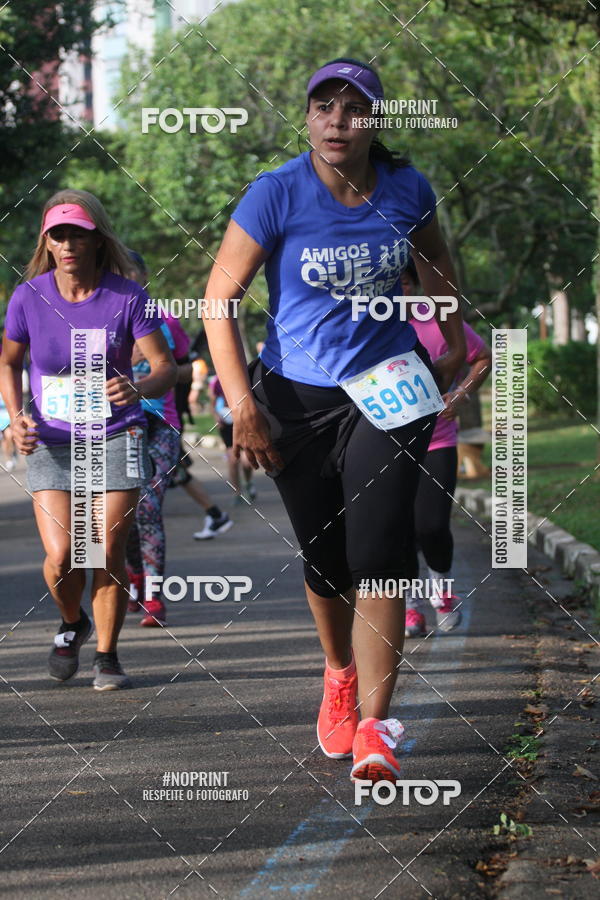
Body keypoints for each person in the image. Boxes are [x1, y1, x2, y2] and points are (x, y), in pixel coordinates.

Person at [199, 58, 466, 782]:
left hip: (388, 385)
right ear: (308, 116)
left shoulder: (408, 189)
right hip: (296, 398)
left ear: (377, 120)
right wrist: (243, 404)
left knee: (382, 549)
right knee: (328, 562)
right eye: (324, 107)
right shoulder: (275, 193)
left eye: (354, 109)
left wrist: (455, 336)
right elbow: (217, 302)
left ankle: (378, 726)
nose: (337, 121)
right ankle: (339, 671)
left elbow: (436, 258)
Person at [0, 190, 176, 689]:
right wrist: (15, 418)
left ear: (98, 239)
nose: (69, 243)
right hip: (52, 443)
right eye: (59, 234)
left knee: (104, 546)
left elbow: (166, 368)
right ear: (47, 242)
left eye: (79, 233)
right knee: (61, 557)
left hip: (116, 435)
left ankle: (107, 653)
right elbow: (8, 362)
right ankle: (73, 621)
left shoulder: (127, 296)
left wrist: (137, 386)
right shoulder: (28, 298)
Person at [124, 253, 232, 624]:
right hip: (115, 427)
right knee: (120, 515)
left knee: (149, 507)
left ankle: (154, 595)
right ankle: (133, 579)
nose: (125, 278)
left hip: (160, 423)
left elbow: (191, 366)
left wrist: (164, 369)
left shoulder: (165, 320)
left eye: (130, 272)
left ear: (144, 275)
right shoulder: (102, 319)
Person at [401, 259, 492, 637]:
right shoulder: (367, 323)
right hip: (380, 442)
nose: (398, 292)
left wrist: (461, 393)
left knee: (432, 525)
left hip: (437, 437)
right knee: (396, 530)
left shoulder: (437, 316)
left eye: (404, 282)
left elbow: (483, 357)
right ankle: (408, 607)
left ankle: (442, 591)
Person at [208, 372, 256, 505]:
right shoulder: (216, 381)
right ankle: (237, 493)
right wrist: (216, 416)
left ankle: (248, 482)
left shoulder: (243, 376)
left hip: (243, 421)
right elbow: (211, 403)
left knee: (247, 461)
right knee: (233, 460)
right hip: (227, 423)